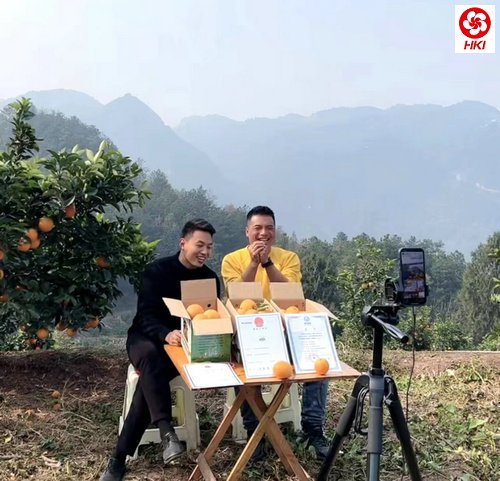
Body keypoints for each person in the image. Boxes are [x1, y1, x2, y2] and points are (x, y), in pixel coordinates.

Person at [100, 219, 220, 481]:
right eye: (199, 245)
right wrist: (165, 334)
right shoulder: (157, 271)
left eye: (209, 247)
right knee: (151, 358)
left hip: (182, 348)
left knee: (149, 381)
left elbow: (211, 317)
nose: (205, 252)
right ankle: (166, 431)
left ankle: (119, 459)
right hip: (146, 338)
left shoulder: (209, 278)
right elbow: (146, 316)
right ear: (183, 243)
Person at [221, 205, 330, 460]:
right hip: (250, 333)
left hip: (286, 330)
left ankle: (313, 429)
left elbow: (291, 292)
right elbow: (236, 296)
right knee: (242, 367)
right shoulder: (232, 260)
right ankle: (255, 432)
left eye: (269, 228)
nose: (263, 234)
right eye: (257, 228)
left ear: (275, 231)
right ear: (247, 231)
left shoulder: (288, 258)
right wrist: (253, 263)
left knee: (318, 360)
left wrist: (267, 263)